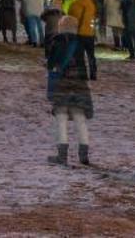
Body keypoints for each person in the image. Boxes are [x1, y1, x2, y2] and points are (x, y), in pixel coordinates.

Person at [44, 12, 93, 166]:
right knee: (80, 119)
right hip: (79, 85)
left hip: (62, 84)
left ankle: (62, 155)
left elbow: (51, 63)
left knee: (61, 120)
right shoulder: (80, 43)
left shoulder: (56, 41)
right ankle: (83, 154)